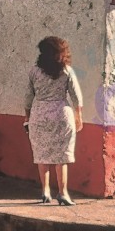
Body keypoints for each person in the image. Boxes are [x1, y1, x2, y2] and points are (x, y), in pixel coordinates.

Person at [24, 36, 83, 206]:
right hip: (61, 114)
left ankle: (45, 192)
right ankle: (63, 193)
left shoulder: (34, 72)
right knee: (61, 156)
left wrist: (27, 117)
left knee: (42, 155)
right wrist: (79, 117)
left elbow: (28, 97)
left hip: (39, 115)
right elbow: (76, 97)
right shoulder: (67, 71)